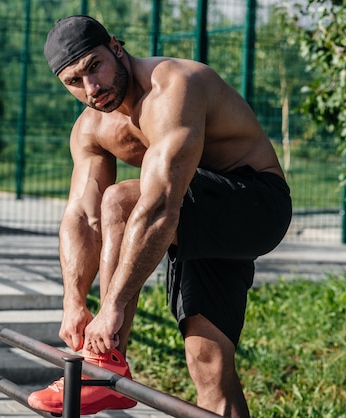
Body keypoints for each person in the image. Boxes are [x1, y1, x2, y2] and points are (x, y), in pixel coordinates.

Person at [28, 15, 292, 417]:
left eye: (94, 67)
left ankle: (105, 366)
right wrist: (73, 301)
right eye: (74, 82)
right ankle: (108, 370)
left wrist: (111, 307)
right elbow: (82, 215)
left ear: (116, 47)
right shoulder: (91, 128)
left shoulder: (173, 87)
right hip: (198, 219)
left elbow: (157, 206)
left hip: (254, 202)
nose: (91, 88)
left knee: (121, 200)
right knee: (209, 365)